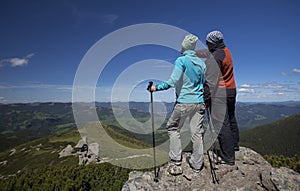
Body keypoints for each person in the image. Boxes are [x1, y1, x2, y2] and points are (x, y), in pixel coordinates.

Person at [149, 34, 206, 174]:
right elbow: (203, 84)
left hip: (184, 102)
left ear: (184, 47)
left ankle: (176, 160)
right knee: (197, 133)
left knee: (172, 127)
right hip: (199, 102)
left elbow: (173, 80)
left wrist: (156, 88)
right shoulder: (202, 63)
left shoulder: (181, 60)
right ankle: (197, 163)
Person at [199, 30, 239, 165]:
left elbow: (210, 81)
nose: (207, 45)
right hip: (231, 90)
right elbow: (210, 53)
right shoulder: (225, 50)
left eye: (208, 43)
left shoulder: (215, 57)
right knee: (231, 118)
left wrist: (206, 98)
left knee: (221, 124)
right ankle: (234, 146)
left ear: (213, 43)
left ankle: (227, 157)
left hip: (220, 92)